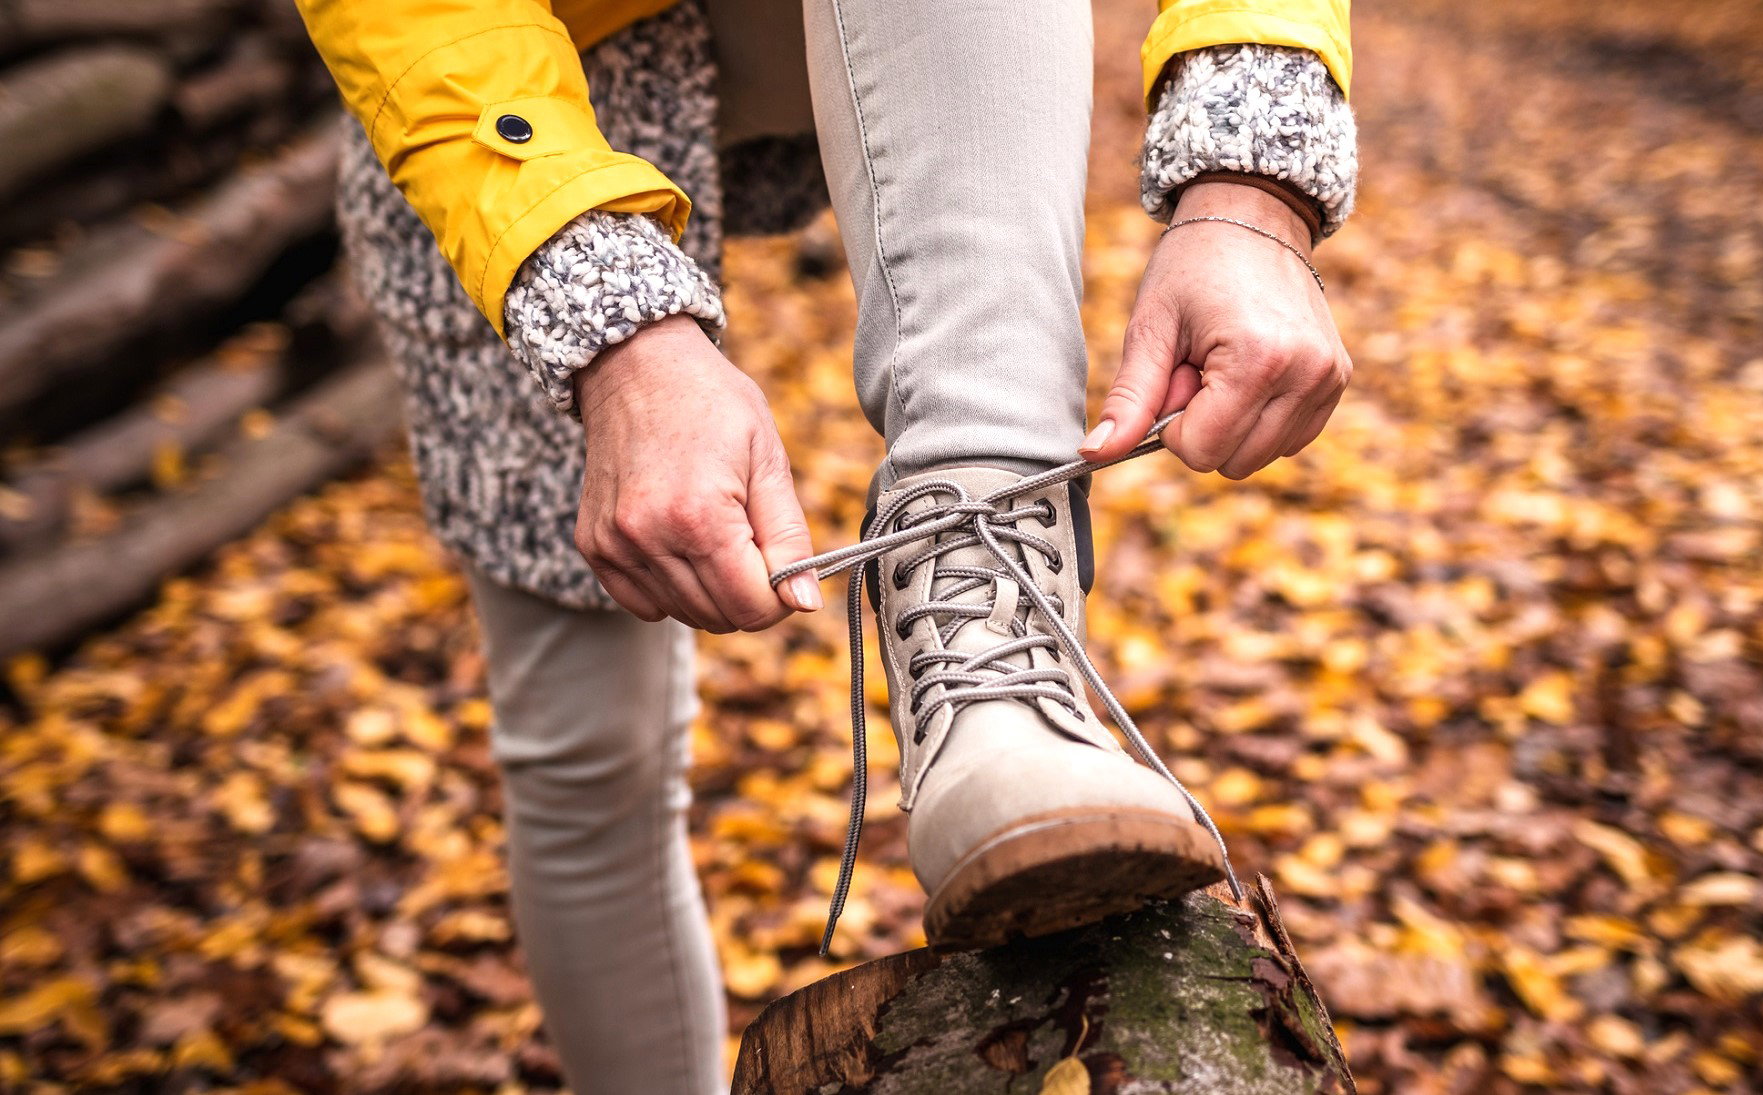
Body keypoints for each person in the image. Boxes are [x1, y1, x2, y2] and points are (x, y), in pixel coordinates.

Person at [296, 0, 1356, 1090]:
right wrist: (608, 333)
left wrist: (1251, 188)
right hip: (480, 69)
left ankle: (985, 633)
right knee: (585, 744)